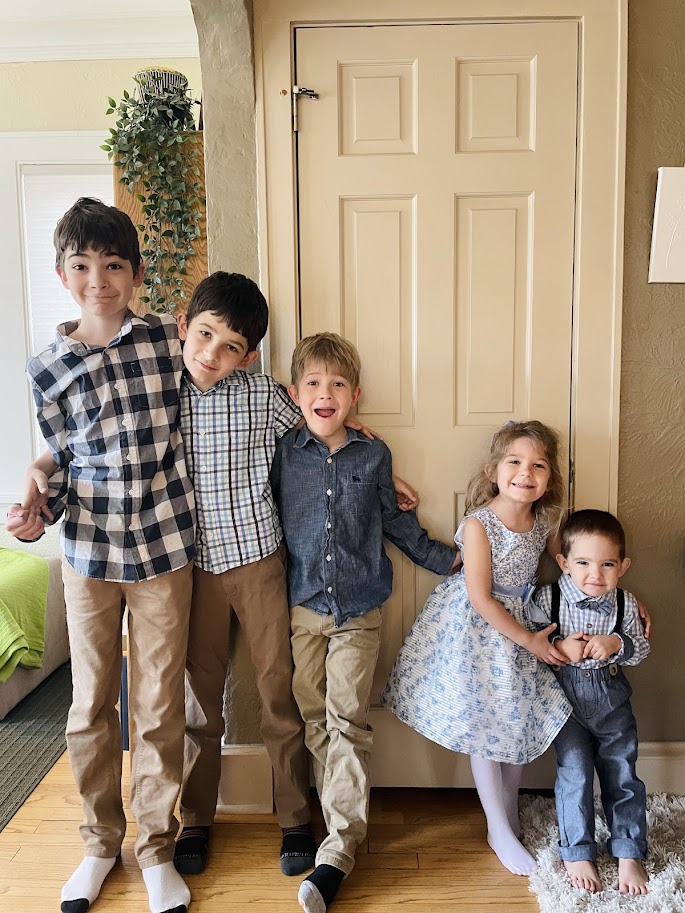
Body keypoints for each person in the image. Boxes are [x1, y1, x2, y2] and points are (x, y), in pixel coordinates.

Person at [6, 198, 196, 913]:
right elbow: (61, 460)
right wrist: (33, 505)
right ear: (63, 273)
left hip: (164, 547)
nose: (99, 280)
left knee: (156, 704)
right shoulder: (48, 369)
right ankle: (96, 844)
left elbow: (212, 407)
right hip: (88, 553)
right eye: (83, 265)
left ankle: (155, 849)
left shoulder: (166, 343)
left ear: (135, 272)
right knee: (89, 704)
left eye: (113, 265)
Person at [270, 332, 457, 913]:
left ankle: (339, 851)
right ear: (295, 392)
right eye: (314, 384)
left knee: (346, 718)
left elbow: (394, 524)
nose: (326, 394)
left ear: (356, 395)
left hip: (358, 612)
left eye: (338, 385)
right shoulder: (282, 452)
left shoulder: (373, 456)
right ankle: (339, 823)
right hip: (302, 609)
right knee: (314, 717)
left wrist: (448, 560)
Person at [382, 420, 573, 877]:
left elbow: (571, 567)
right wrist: (528, 638)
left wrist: (616, 602)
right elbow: (481, 596)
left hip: (521, 626)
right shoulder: (478, 524)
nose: (525, 473)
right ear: (492, 470)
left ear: (550, 478)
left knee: (512, 719)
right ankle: (498, 828)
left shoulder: (545, 521)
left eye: (538, 465)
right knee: (485, 725)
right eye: (514, 462)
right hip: (476, 633)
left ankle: (505, 817)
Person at [529, 509, 650, 895]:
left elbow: (641, 647)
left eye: (607, 564)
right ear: (563, 562)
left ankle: (629, 849)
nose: (594, 574)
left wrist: (618, 643)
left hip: (612, 701)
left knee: (622, 773)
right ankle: (577, 849)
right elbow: (526, 642)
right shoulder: (546, 599)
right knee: (575, 774)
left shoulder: (626, 604)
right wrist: (558, 646)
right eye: (582, 562)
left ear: (623, 566)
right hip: (564, 706)